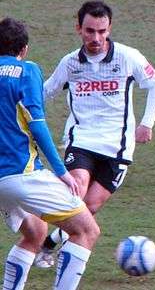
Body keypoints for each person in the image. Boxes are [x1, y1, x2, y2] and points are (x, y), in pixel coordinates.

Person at [34, 0, 155, 268]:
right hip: (81, 141)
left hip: (118, 147)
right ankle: (51, 249)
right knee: (76, 191)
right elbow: (45, 92)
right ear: (79, 28)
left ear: (109, 28)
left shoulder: (128, 57)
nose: (97, 37)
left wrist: (147, 123)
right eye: (90, 31)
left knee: (89, 208)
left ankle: (48, 244)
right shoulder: (70, 63)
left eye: (102, 31)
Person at [0, 17, 100, 290]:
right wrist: (61, 172)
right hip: (21, 174)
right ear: (24, 49)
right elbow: (38, 127)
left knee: (35, 232)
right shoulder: (27, 71)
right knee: (86, 230)